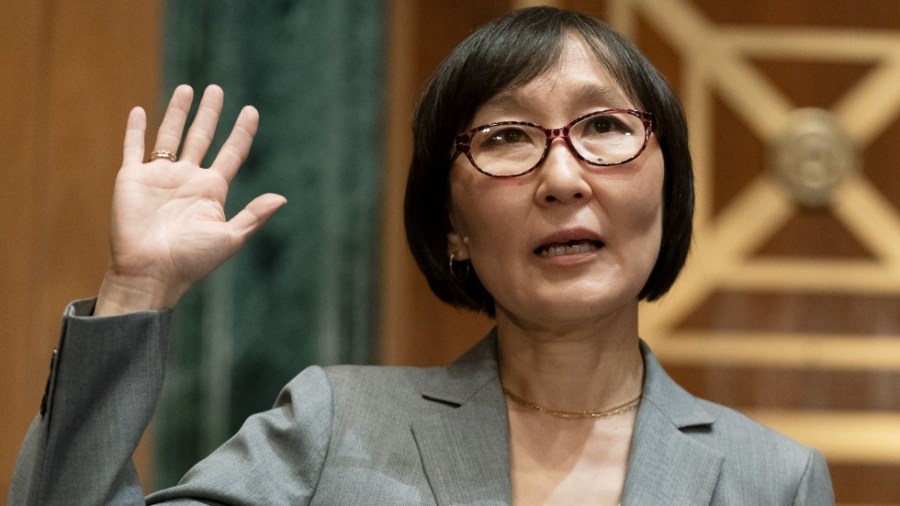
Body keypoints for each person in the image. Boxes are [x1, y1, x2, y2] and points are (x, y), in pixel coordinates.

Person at [10, 7, 834, 505]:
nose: (561, 176)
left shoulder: (772, 479)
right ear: (452, 227)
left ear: (669, 185)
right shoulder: (339, 428)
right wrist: (136, 288)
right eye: (506, 137)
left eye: (604, 127)